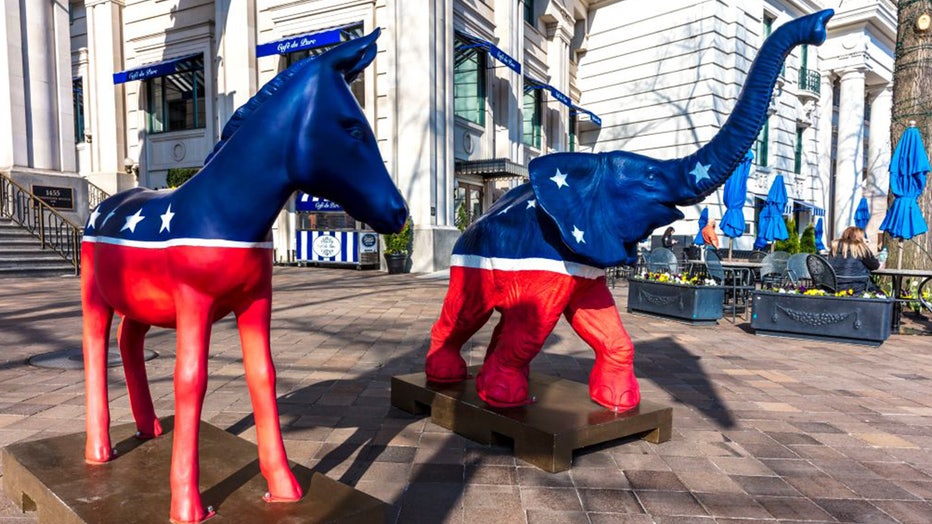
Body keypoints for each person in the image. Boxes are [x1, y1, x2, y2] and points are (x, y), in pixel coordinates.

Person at [828, 226, 880, 293]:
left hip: (834, 286)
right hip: (857, 286)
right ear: (859, 237)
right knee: (881, 294)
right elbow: (875, 265)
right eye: (863, 237)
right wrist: (866, 247)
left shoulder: (834, 247)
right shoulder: (861, 248)